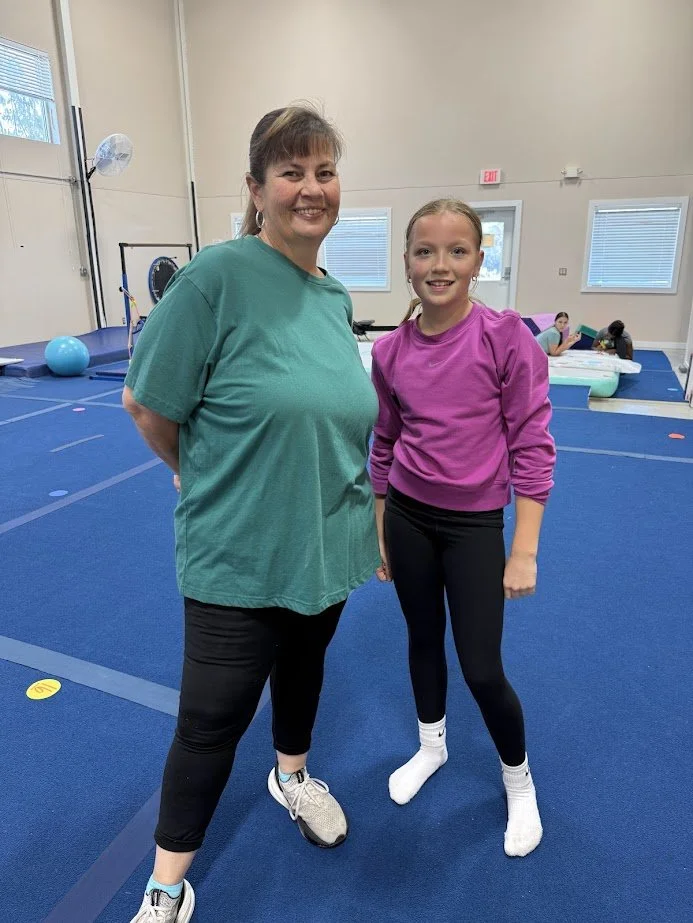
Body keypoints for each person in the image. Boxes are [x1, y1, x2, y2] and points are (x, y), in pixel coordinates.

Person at [123, 105, 380, 923]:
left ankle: (291, 774)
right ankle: (167, 886)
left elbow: (335, 416)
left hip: (327, 539)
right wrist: (192, 470)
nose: (311, 187)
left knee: (304, 668)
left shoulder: (332, 296)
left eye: (324, 171)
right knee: (209, 721)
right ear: (256, 188)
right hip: (237, 548)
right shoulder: (217, 277)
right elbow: (146, 402)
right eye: (291, 171)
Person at [370, 198, 556, 858]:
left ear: (479, 260)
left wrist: (523, 550)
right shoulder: (390, 350)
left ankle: (519, 780)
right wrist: (380, 527)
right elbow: (384, 443)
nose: (439, 264)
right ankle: (432, 746)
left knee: (480, 665)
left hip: (474, 524)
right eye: (424, 251)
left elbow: (531, 444)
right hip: (408, 518)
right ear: (406, 262)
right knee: (422, 637)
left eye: (456, 251)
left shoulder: (504, 338)